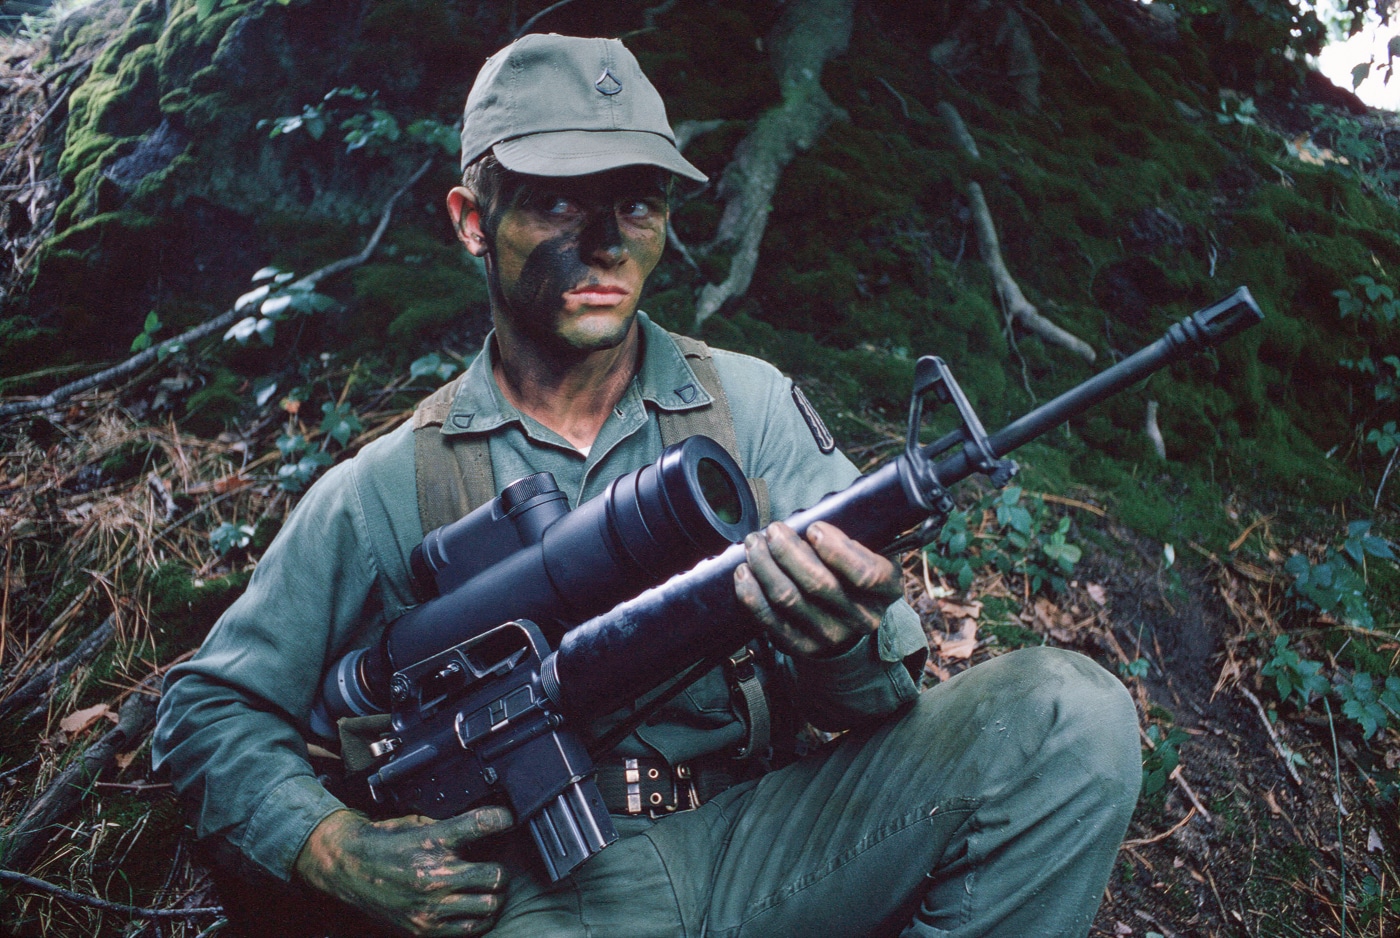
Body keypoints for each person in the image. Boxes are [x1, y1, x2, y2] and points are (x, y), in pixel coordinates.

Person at [154, 33, 1141, 938]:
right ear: (469, 219)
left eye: (637, 201)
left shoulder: (746, 409)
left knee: (1068, 717)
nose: (608, 240)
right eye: (554, 200)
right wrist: (336, 851)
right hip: (537, 899)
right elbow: (205, 711)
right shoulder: (385, 486)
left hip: (767, 838)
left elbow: (879, 701)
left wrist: (840, 634)